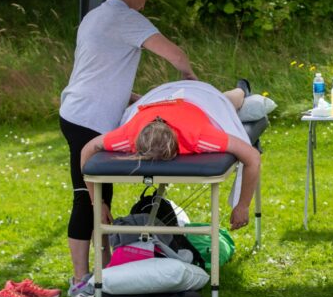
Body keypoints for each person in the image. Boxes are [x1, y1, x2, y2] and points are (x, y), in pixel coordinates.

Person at [59, 0, 197, 296]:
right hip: (86, 119)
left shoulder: (95, 15)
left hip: (79, 111)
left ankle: (103, 270)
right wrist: (192, 82)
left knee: (100, 195)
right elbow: (176, 55)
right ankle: (80, 281)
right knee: (86, 198)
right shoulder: (125, 17)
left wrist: (140, 99)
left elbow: (100, 73)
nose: (145, 1)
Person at [79, 79, 260, 238]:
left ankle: (242, 89)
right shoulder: (128, 135)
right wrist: (97, 203)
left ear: (176, 147)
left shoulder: (198, 136)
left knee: (229, 102)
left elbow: (251, 157)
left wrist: (243, 206)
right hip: (155, 98)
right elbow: (86, 150)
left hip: (201, 97)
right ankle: (136, 98)